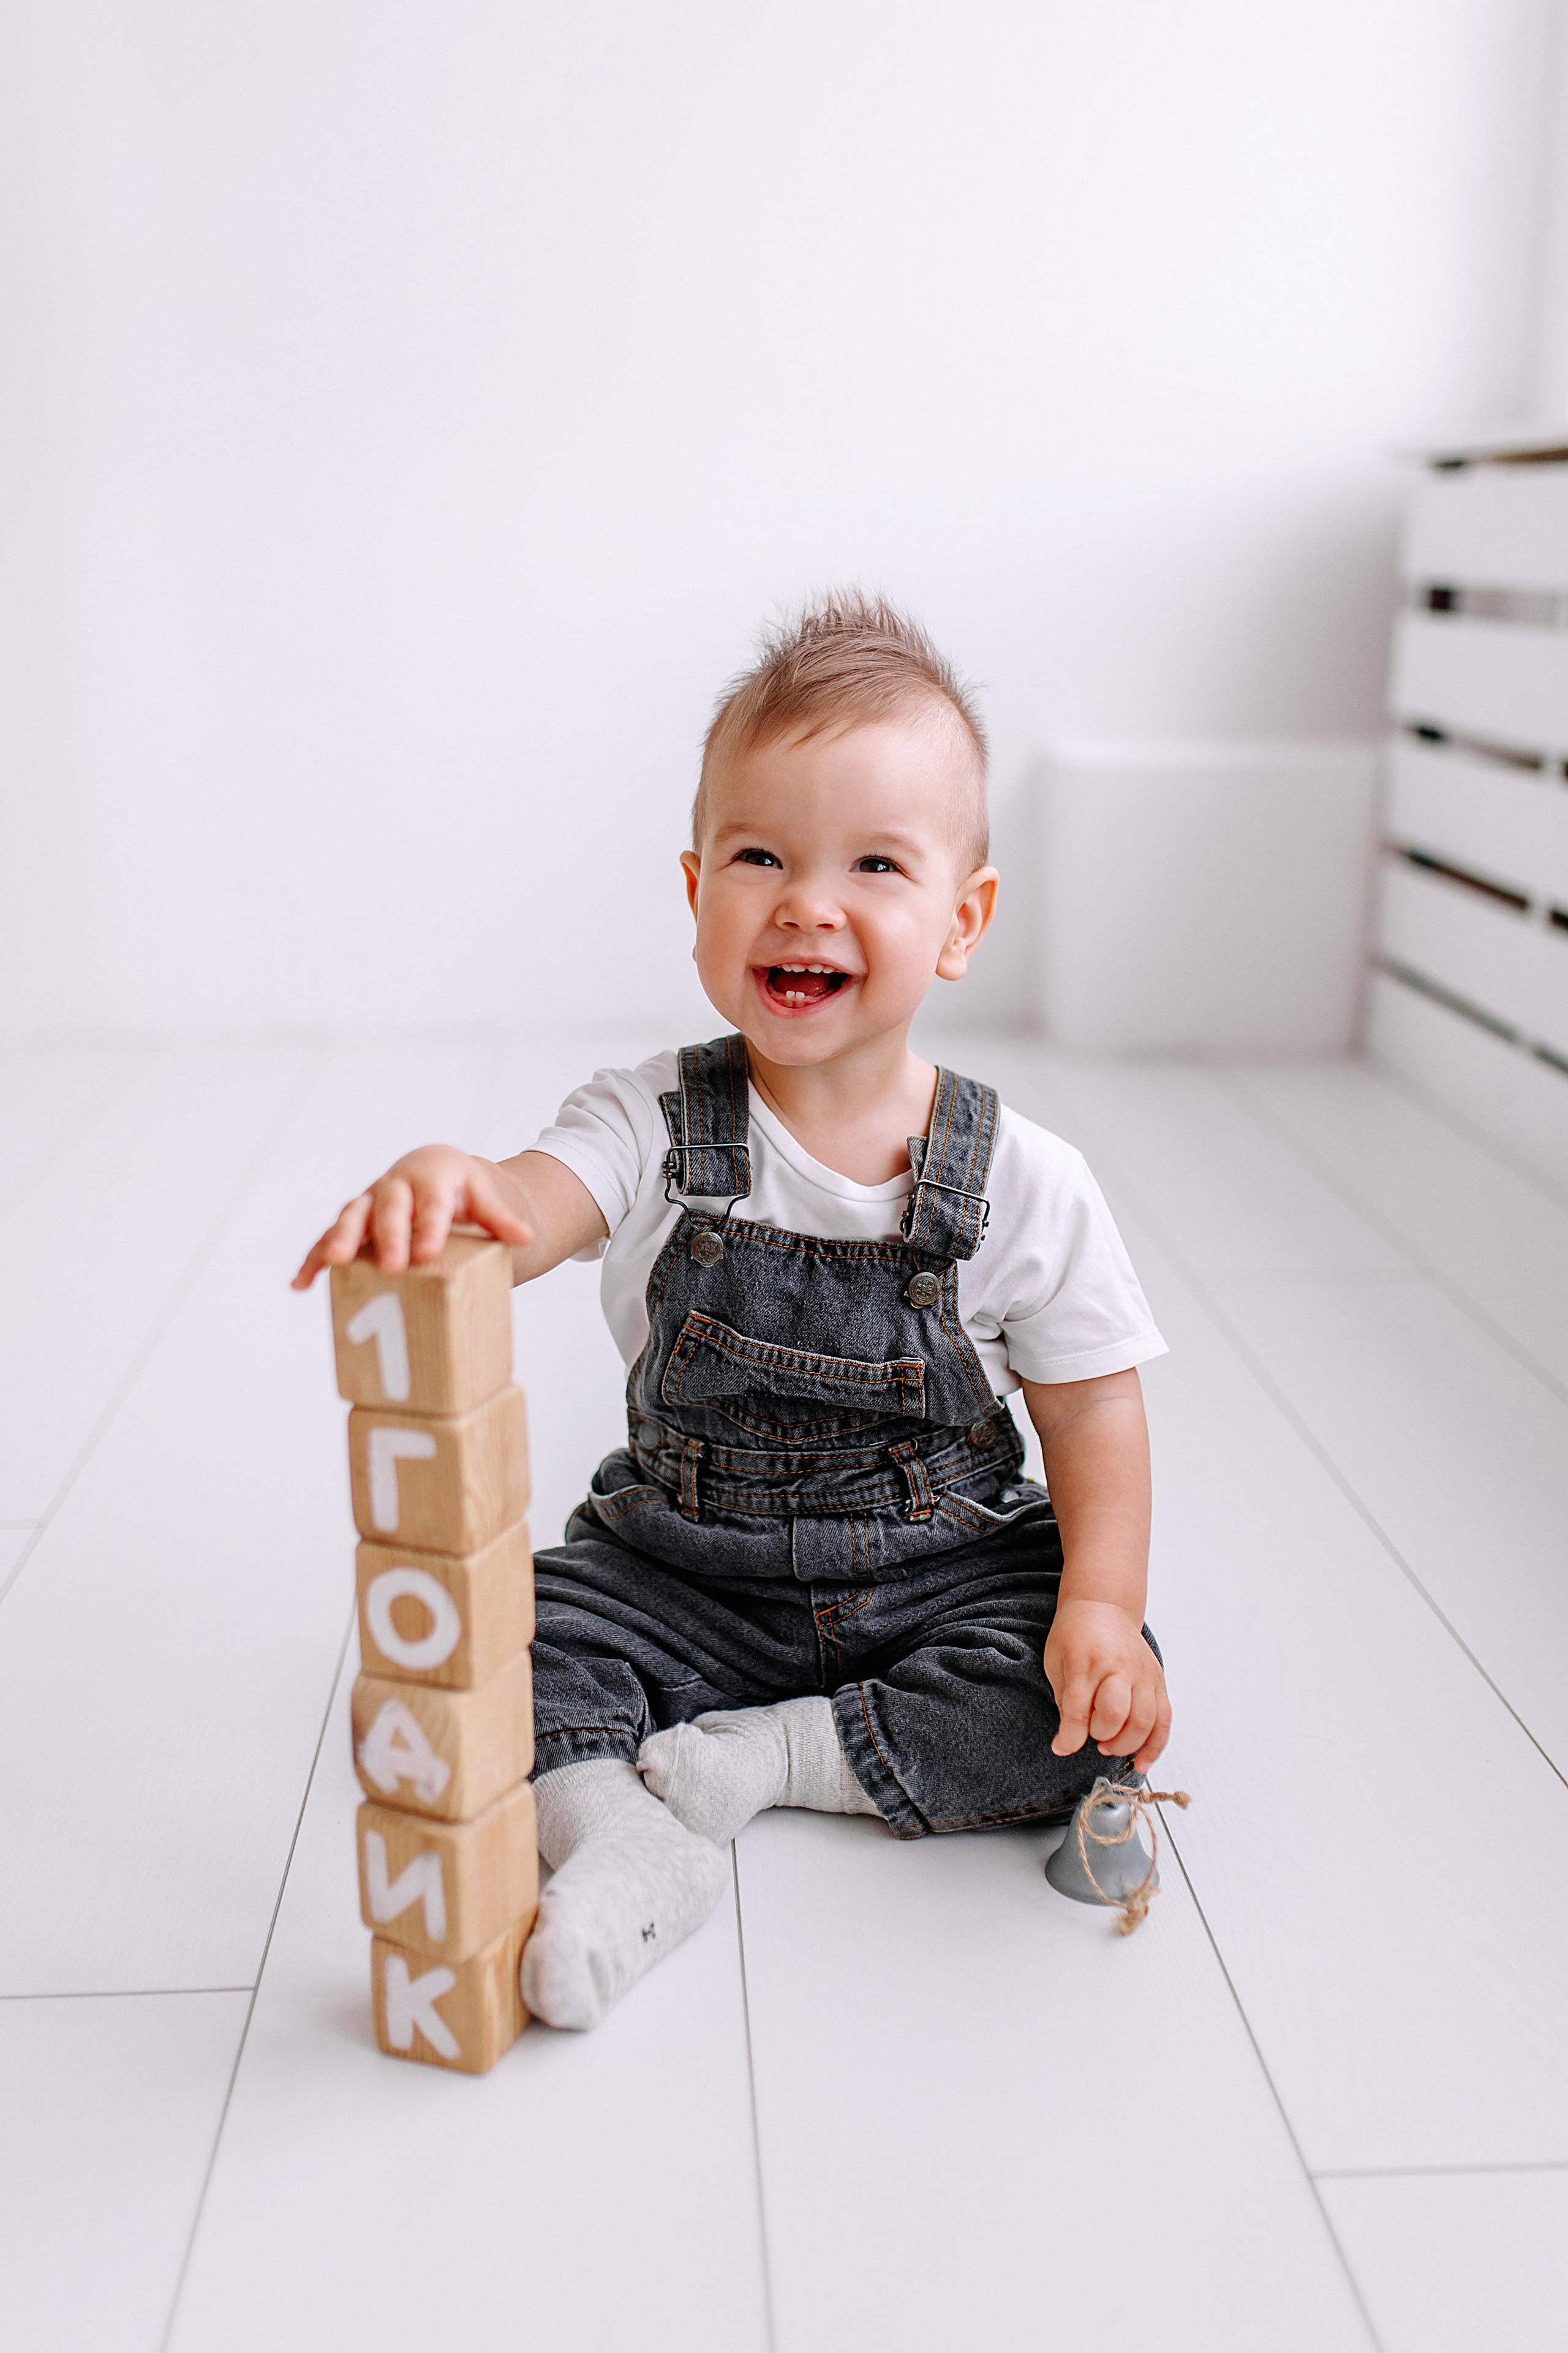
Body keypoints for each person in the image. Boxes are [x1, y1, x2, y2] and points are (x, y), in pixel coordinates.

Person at [295, 592, 1171, 2030]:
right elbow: (530, 1206)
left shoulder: (1020, 1178)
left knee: (1083, 1706)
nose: (805, 901)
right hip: (681, 1569)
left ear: (961, 919)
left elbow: (1090, 1408)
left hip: (934, 1572)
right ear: (696, 887)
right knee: (497, 1658)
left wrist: (1100, 1607)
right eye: (759, 854)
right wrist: (458, 1188)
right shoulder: (647, 1121)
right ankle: (622, 1840)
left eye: (872, 864)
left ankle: (781, 1755)